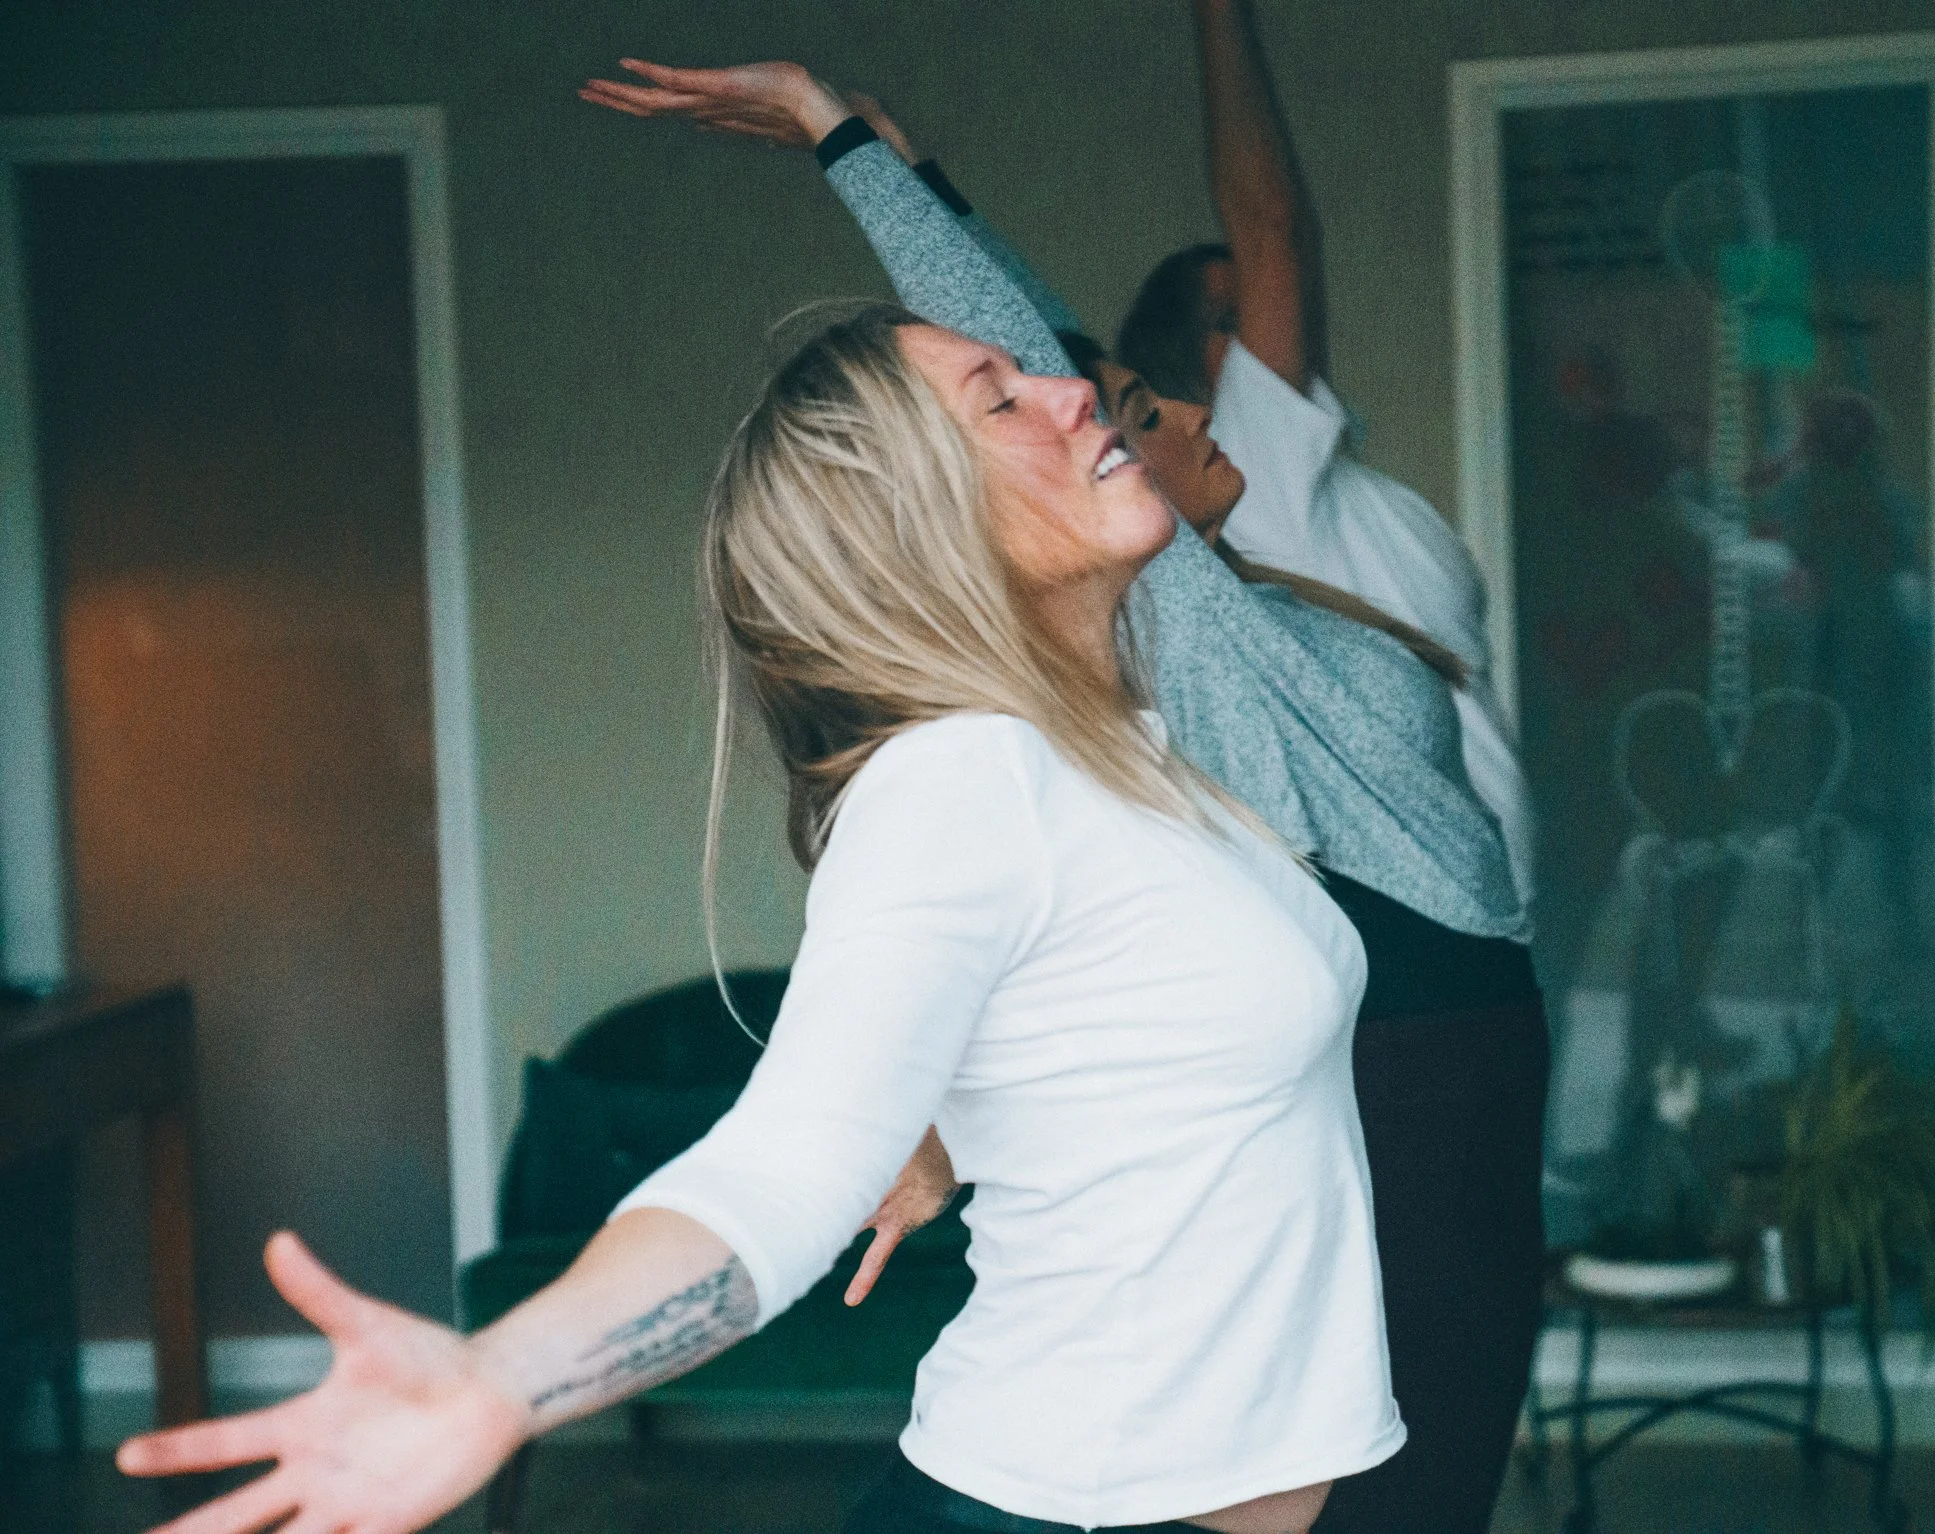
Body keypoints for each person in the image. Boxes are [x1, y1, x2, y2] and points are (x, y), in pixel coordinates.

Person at [113, 295, 1393, 1534]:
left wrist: (943, 1122)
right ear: (916, 524)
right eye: (999, 398)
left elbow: (1114, 1019)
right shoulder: (960, 780)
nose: (1071, 390)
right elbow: (778, 1162)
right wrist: (501, 1379)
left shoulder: (1122, 754)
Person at [580, 55, 1550, 1534]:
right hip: (1418, 1071)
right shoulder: (1172, 623)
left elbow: (1120, 1007)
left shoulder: (1227, 638)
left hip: (1454, 1071)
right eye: (1116, 402)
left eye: (1110, 396)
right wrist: (850, 144)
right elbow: (1007, 346)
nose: (1097, 406)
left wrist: (958, 1117)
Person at [1123, 0, 1538, 916]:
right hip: (1428, 933)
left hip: (1487, 920)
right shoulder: (1246, 477)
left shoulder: (1332, 483)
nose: (1286, 309)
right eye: (1233, 319)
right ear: (1186, 368)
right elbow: (1273, 224)